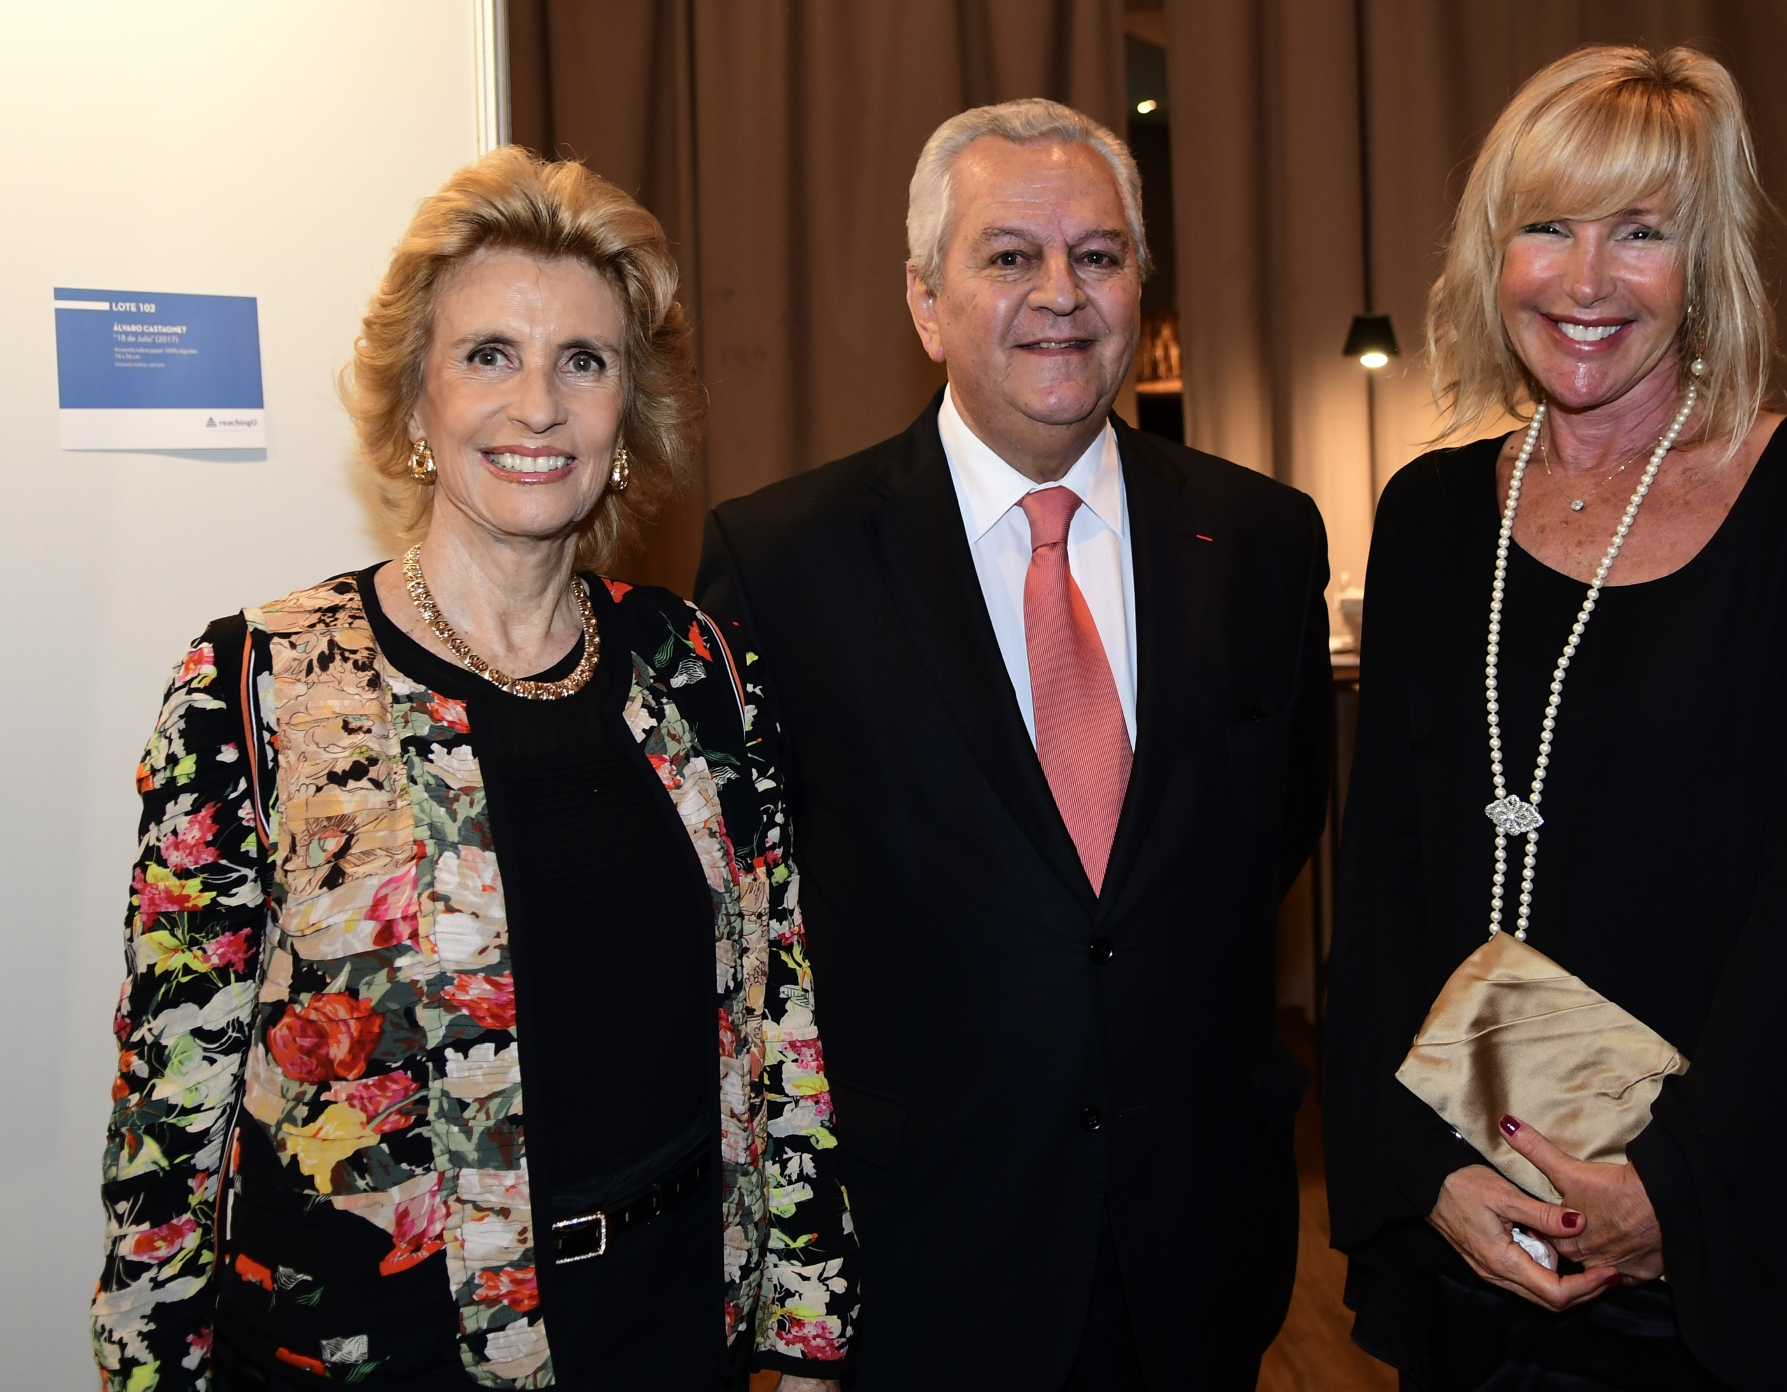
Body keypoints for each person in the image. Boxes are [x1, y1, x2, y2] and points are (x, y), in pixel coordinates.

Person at [90, 148, 855, 1392]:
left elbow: (784, 1023)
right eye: (490, 355)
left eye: (583, 361)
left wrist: (809, 1339)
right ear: (414, 404)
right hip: (373, 1355)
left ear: (627, 415)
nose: (538, 405)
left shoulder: (700, 667)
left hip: (671, 1332)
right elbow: (168, 1116)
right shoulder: (256, 685)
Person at [694, 99, 1331, 1392]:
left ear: (1140, 284)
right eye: (1008, 256)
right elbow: (750, 932)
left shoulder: (1263, 540)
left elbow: (1272, 838)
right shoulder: (782, 563)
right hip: (925, 1256)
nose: (1060, 294)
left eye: (1098, 255)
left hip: (1198, 1244)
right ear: (925, 304)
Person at [1321, 45, 1787, 1392]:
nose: (1585, 281)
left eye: (1641, 231)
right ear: (1494, 253)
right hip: (1477, 1212)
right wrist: (1425, 1172)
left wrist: (1673, 1190)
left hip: (1727, 1227)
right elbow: (1385, 885)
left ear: (1705, 263)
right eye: (1548, 226)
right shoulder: (1429, 515)